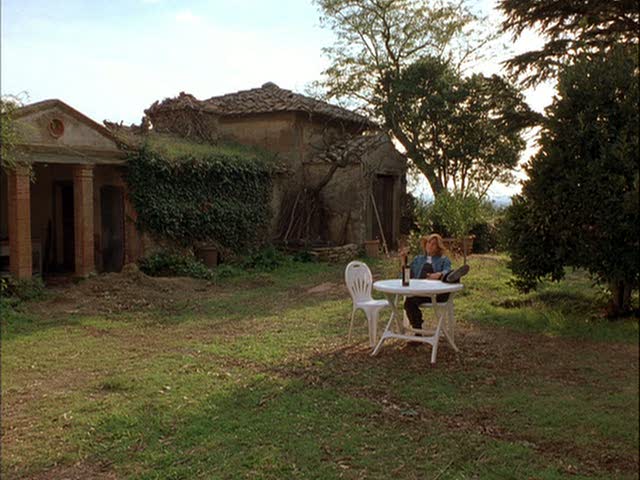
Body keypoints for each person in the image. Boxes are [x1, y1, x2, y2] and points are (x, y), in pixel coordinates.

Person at [403, 233, 469, 331]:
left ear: (438, 248)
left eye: (434, 244)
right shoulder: (418, 259)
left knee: (447, 275)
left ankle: (451, 276)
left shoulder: (443, 260)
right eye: (429, 242)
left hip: (438, 293)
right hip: (422, 293)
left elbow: (446, 268)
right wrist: (403, 261)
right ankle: (417, 331)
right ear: (425, 244)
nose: (430, 245)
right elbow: (406, 277)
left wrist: (439, 274)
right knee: (408, 303)